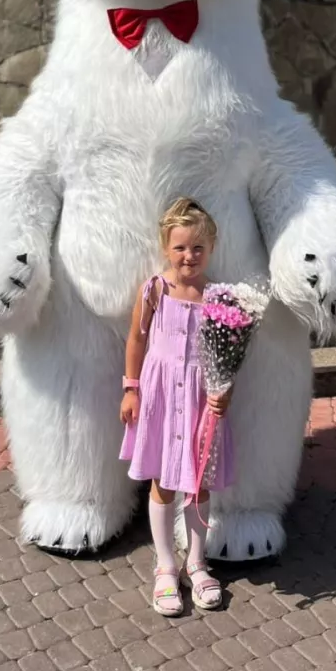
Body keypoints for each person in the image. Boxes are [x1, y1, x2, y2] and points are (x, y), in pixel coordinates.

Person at [119, 197, 234, 616]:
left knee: (199, 481)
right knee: (164, 481)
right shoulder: (155, 290)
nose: (189, 255)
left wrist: (224, 391)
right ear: (166, 248)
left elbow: (227, 355)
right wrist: (131, 388)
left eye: (198, 247)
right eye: (181, 247)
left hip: (201, 401)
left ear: (211, 248)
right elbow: (136, 339)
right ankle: (166, 566)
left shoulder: (219, 297)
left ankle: (197, 563)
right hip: (163, 398)